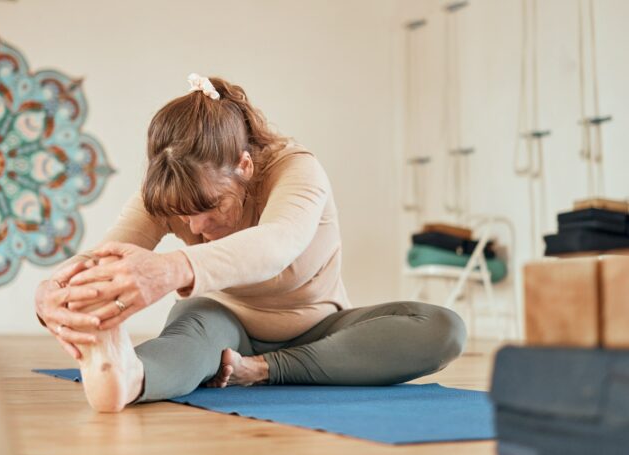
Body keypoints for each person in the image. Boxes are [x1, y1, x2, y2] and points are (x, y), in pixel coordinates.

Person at [34, 73, 466, 413]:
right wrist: (52, 293)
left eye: (211, 207)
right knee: (189, 335)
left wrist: (172, 268)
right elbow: (99, 260)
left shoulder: (296, 171)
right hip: (224, 325)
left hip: (319, 333)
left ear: (244, 165)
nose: (197, 227)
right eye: (184, 216)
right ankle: (127, 376)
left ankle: (263, 371)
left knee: (444, 329)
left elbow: (276, 244)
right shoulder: (170, 191)